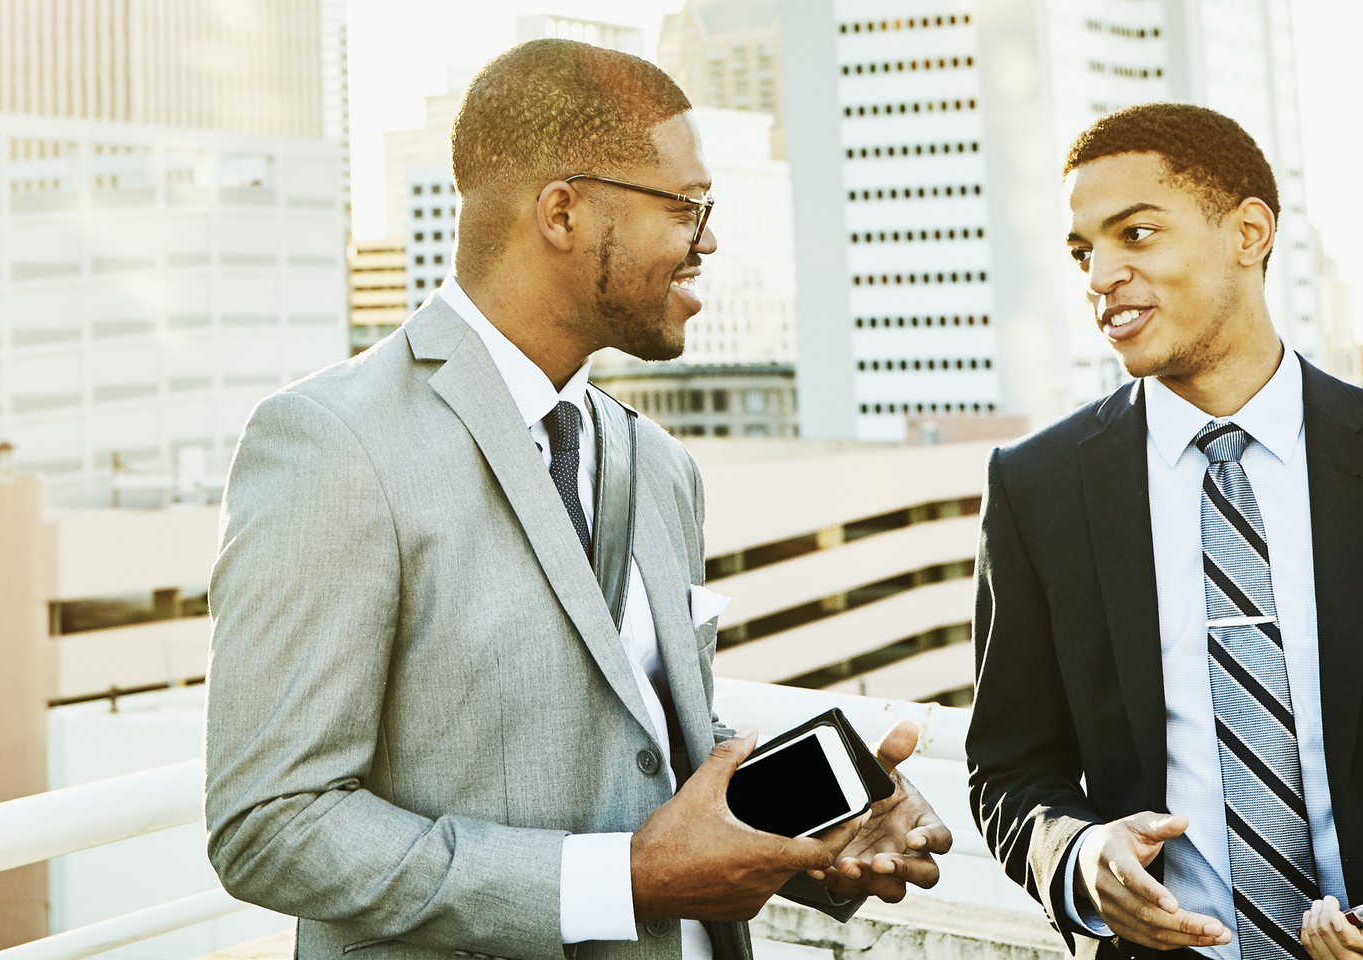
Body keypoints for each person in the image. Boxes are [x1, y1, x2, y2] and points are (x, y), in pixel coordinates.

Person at [206, 38, 952, 960]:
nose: (708, 237)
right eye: (686, 207)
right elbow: (271, 826)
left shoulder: (659, 462)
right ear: (562, 211)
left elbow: (641, 739)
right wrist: (624, 881)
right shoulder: (334, 443)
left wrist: (806, 835)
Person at [964, 103, 1363, 960]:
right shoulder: (1034, 489)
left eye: (1137, 234)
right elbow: (1010, 774)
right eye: (1084, 251)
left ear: (1248, 233)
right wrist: (1080, 859)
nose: (1100, 274)